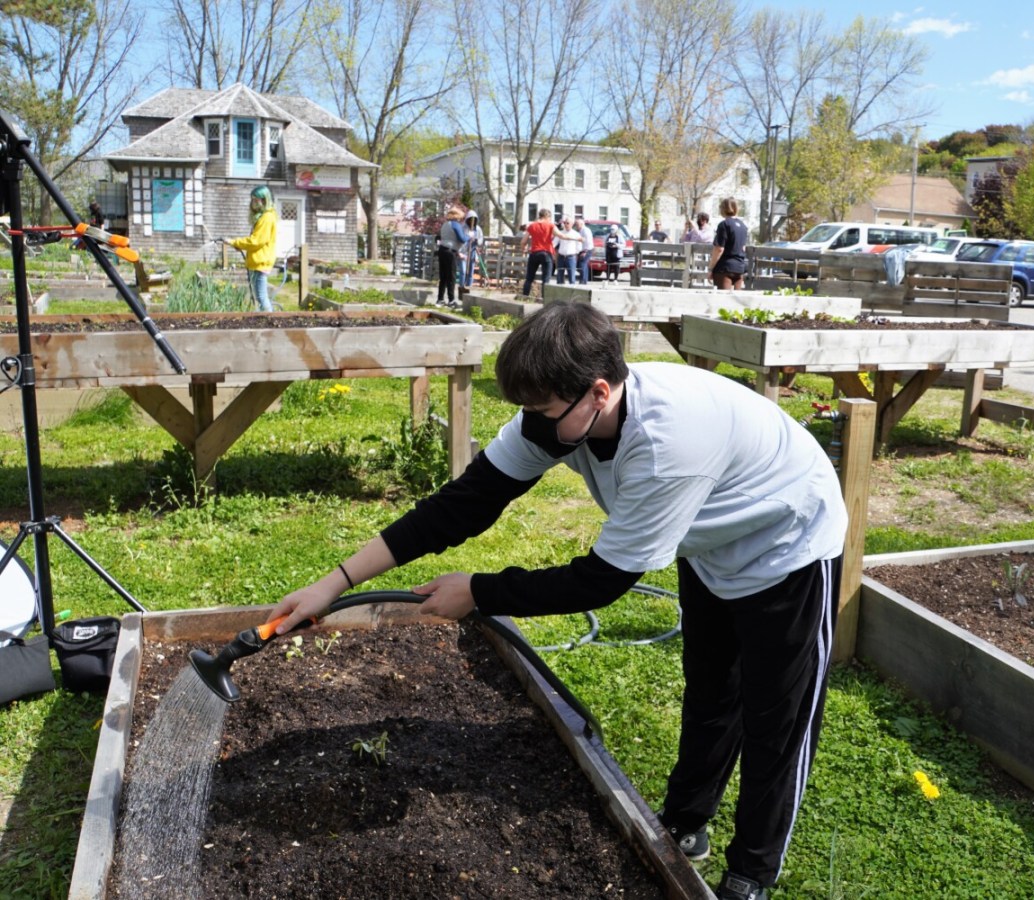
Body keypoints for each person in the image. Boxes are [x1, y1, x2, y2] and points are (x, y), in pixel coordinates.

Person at [268, 301, 847, 900]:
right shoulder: (563, 415)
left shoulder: (665, 447)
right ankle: (685, 824)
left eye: (543, 412)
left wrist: (480, 592)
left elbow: (600, 582)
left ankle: (751, 872)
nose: (533, 425)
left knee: (777, 718)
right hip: (710, 541)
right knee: (711, 691)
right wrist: (335, 582)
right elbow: (463, 504)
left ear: (598, 392)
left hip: (786, 540)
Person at [225, 185, 278, 312]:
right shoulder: (264, 216)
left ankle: (270, 321)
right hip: (257, 262)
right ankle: (263, 319)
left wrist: (234, 242)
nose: (253, 202)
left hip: (260, 263)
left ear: (264, 200)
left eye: (255, 199)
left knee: (261, 297)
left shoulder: (266, 218)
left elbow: (256, 241)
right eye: (252, 199)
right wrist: (239, 245)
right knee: (259, 298)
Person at [520, 209, 572, 297]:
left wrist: (523, 249)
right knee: (546, 279)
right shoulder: (550, 225)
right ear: (547, 216)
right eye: (550, 217)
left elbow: (523, 241)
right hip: (546, 253)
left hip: (534, 253)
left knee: (529, 278)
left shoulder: (532, 225)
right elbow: (561, 236)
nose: (550, 219)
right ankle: (544, 299)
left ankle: (524, 297)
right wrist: (577, 238)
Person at [709, 198, 749, 290]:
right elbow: (743, 248)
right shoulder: (743, 226)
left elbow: (719, 249)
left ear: (723, 209)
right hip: (739, 267)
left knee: (723, 298)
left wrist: (711, 268)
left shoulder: (724, 225)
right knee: (736, 298)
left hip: (725, 267)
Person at [436, 207, 468, 306]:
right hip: (450, 252)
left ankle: (440, 299)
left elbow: (442, 238)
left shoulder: (445, 224)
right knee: (451, 277)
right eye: (461, 217)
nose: (461, 219)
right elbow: (462, 239)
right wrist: (469, 236)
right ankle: (451, 300)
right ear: (457, 216)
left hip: (442, 250)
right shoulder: (455, 224)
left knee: (443, 277)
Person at [461, 210, 485, 295]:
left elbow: (481, 239)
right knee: (464, 271)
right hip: (464, 252)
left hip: (473, 251)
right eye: (470, 219)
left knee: (471, 271)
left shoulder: (478, 229)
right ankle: (462, 286)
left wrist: (477, 240)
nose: (472, 222)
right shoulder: (463, 227)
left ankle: (469, 287)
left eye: (474, 220)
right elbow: (461, 238)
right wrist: (468, 238)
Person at [554, 217, 583, 284]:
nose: (566, 224)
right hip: (561, 256)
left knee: (571, 276)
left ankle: (572, 289)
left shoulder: (576, 234)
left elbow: (579, 247)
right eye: (564, 223)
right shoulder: (560, 233)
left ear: (572, 224)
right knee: (559, 276)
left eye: (567, 223)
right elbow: (554, 243)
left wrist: (574, 253)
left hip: (571, 257)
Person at [575, 216, 593, 285]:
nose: (576, 226)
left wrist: (585, 251)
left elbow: (588, 242)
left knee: (582, 265)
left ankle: (583, 280)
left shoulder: (585, 230)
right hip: (582, 250)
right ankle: (584, 280)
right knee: (583, 265)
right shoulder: (581, 230)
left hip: (586, 250)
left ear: (581, 224)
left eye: (577, 224)